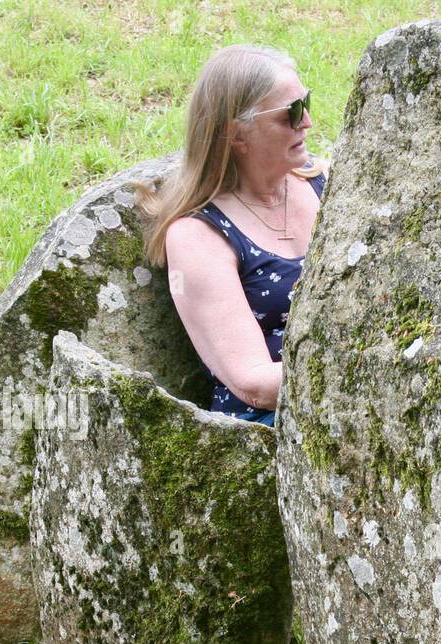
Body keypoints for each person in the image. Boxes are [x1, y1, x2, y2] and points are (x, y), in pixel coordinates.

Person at [137, 45, 327, 426]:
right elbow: (252, 382)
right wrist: (360, 373)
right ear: (237, 134)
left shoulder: (324, 181)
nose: (306, 121)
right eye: (290, 112)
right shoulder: (197, 235)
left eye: (305, 102)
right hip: (271, 426)